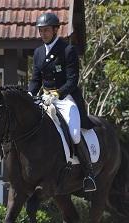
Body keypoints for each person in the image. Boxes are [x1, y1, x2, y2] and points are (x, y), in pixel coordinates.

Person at [28, 12, 96, 192]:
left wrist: (58, 93)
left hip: (65, 98)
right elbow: (36, 79)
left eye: (46, 30)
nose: (43, 34)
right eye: (41, 31)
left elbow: (72, 80)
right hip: (45, 97)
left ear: (56, 30)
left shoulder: (67, 50)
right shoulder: (38, 52)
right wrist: (29, 95)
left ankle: (88, 173)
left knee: (74, 133)